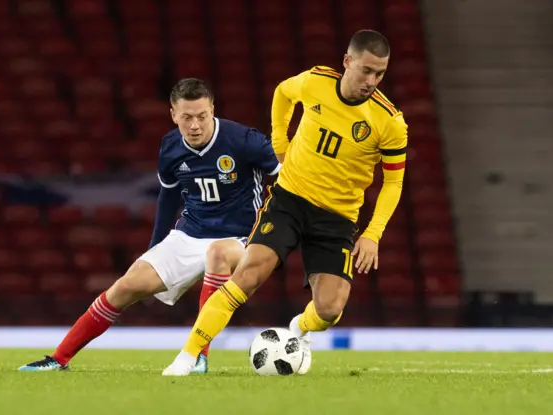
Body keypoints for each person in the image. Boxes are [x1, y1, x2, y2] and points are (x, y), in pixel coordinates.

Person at [162, 29, 408, 376]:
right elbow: (282, 93)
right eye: (366, 70)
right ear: (347, 62)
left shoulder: (390, 122)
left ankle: (299, 329)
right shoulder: (315, 82)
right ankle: (187, 357)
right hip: (289, 199)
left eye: (380, 73)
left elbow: (394, 181)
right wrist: (280, 140)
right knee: (249, 273)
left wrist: (373, 234)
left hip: (337, 218)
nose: (372, 80)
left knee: (329, 309)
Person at [18, 78, 280, 372]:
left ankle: (197, 356)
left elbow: (289, 178)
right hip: (189, 233)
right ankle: (59, 358)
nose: (195, 125)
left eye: (202, 116)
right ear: (173, 115)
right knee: (125, 286)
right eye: (186, 118)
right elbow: (167, 197)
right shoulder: (170, 147)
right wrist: (154, 248)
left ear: (212, 110)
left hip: (242, 237)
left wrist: (278, 230)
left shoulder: (245, 141)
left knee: (217, 253)